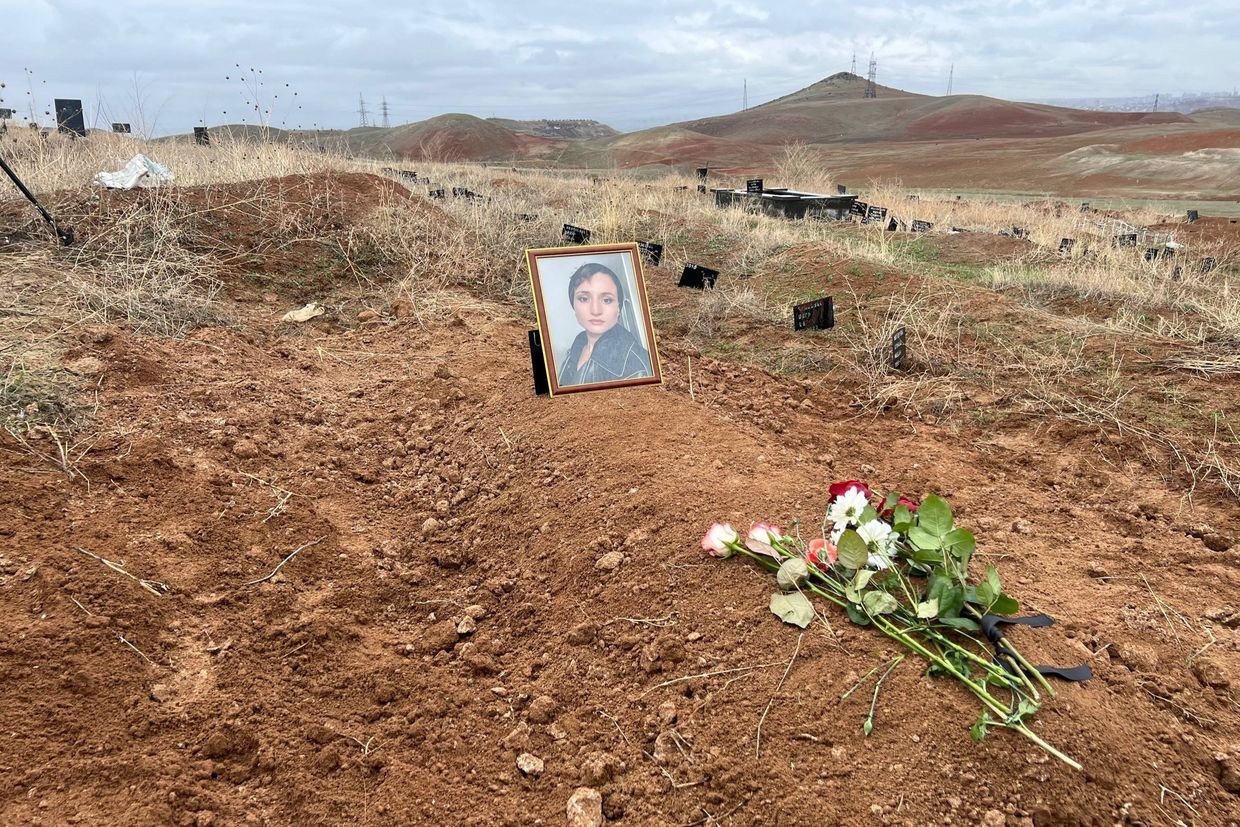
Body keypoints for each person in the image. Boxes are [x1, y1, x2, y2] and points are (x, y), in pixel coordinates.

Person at [557, 262, 652, 387]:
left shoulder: (638, 362)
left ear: (618, 308)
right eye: (584, 299)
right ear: (573, 305)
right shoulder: (576, 348)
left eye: (607, 300)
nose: (595, 310)